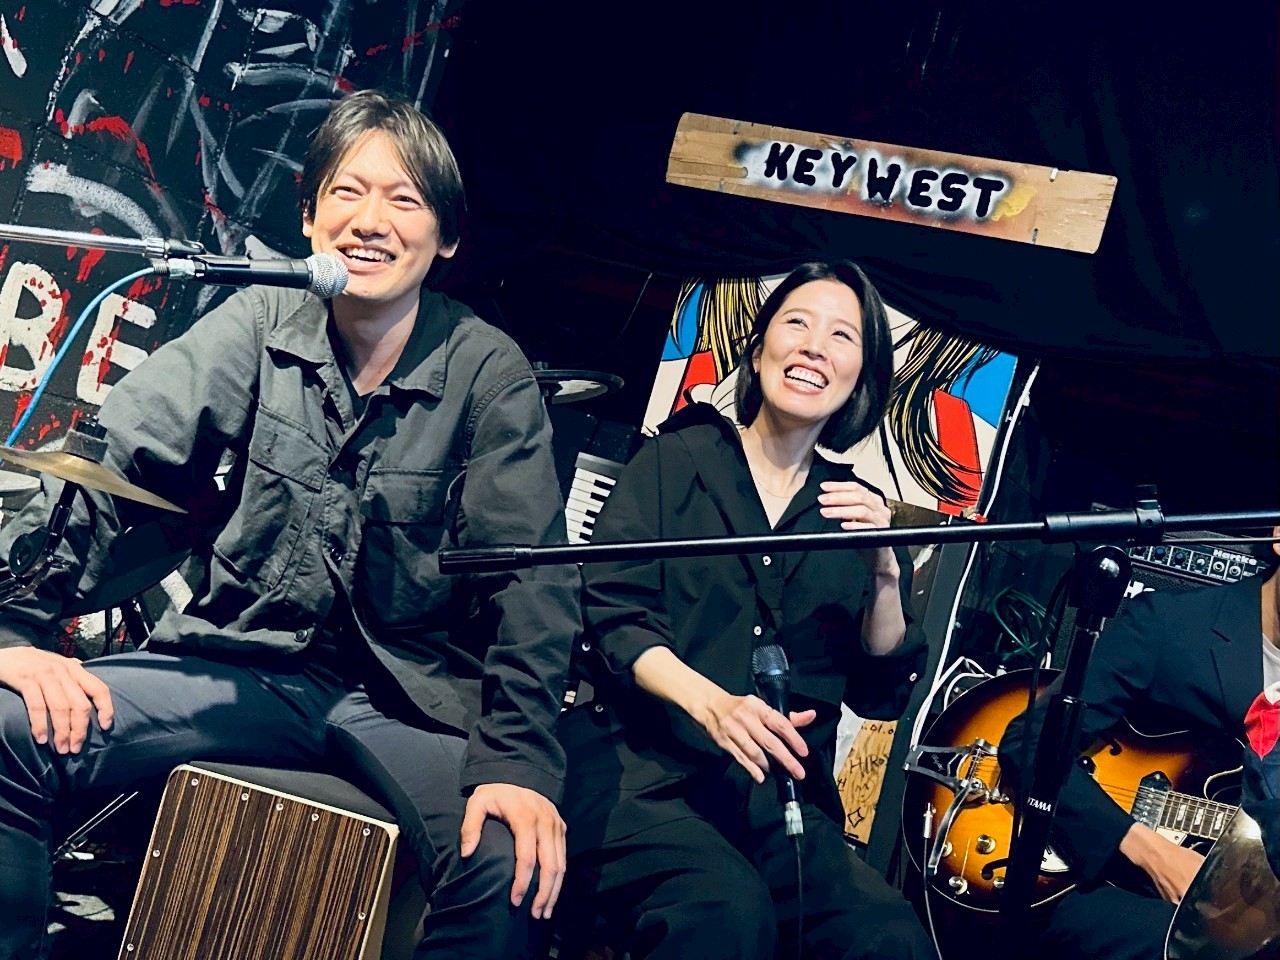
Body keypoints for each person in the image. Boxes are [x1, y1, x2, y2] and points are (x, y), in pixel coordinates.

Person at [0, 89, 582, 960]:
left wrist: (520, 765)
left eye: (404, 199)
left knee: (505, 866)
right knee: (7, 727)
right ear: (309, 218)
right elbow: (114, 461)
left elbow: (531, 581)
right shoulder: (260, 319)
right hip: (246, 666)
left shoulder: (487, 372)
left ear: (447, 237)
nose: (370, 220)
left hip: (410, 700)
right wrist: (14, 630)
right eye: (347, 192)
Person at [558, 260, 937, 960]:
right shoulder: (676, 459)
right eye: (797, 324)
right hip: (642, 777)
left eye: (842, 336)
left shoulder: (855, 513)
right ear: (759, 350)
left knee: (888, 937)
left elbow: (880, 692)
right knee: (723, 914)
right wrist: (713, 705)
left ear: (862, 377)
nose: (814, 347)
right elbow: (613, 613)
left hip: (779, 807)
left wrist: (886, 569)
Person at [1001, 528, 1280, 960]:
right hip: (1098, 878)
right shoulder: (1170, 623)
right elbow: (1029, 742)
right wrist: (1148, 851)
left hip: (1246, 905)